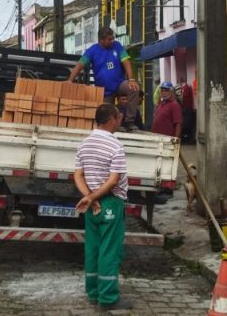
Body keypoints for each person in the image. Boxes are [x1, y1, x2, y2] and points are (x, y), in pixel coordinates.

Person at [74, 104, 133, 311]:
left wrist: (88, 197)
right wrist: (95, 196)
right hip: (109, 202)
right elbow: (114, 179)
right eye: (118, 118)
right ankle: (108, 299)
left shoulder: (84, 143)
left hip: (92, 204)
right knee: (109, 250)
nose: (120, 121)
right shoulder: (115, 145)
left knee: (93, 248)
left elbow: (78, 175)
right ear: (111, 120)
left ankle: (93, 293)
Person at [67, 27, 141, 130]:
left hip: (119, 84)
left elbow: (126, 62)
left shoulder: (117, 46)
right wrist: (70, 80)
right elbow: (80, 64)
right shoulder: (92, 50)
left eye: (113, 38)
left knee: (133, 89)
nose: (112, 41)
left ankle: (129, 122)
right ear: (101, 40)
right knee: (106, 114)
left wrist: (131, 80)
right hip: (105, 90)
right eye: (109, 39)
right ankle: (114, 128)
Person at [178, 77, 196, 144]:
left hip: (187, 109)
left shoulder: (186, 88)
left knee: (187, 125)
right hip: (187, 109)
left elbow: (184, 99)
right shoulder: (186, 88)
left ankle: (187, 139)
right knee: (187, 124)